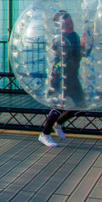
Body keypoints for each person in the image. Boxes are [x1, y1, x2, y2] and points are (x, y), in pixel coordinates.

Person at [39, 11, 89, 148]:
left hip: (72, 77)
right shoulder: (59, 40)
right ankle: (44, 134)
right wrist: (80, 46)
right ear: (59, 26)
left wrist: (83, 45)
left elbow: (81, 55)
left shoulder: (74, 35)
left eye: (71, 22)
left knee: (82, 105)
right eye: (66, 23)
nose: (70, 25)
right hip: (60, 77)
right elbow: (66, 56)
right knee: (59, 105)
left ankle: (59, 123)